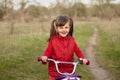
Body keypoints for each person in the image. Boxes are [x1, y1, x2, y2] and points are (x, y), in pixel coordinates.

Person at [41, 15, 88, 80]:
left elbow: (77, 50)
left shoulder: (71, 40)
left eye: (66, 27)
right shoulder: (53, 40)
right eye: (61, 27)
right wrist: (45, 57)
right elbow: (48, 51)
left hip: (69, 70)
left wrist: (82, 58)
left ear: (69, 28)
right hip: (55, 71)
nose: (64, 30)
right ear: (57, 29)